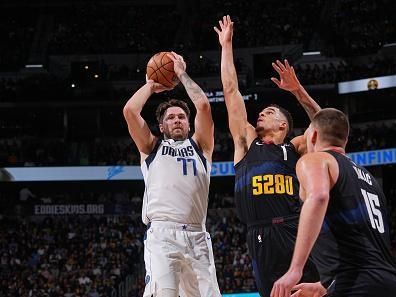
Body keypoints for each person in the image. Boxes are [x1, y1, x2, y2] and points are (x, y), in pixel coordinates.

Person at [214, 15, 323, 296]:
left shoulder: (295, 147)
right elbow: (230, 91)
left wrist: (298, 91)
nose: (261, 113)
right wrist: (226, 45)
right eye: (261, 112)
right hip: (258, 234)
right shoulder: (246, 141)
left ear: (283, 125)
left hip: (292, 229)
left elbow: (323, 125)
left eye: (269, 112)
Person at [123, 51, 221, 297]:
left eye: (181, 117)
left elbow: (204, 106)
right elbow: (130, 111)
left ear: (189, 124)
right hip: (163, 235)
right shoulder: (151, 147)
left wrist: (180, 73)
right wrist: (150, 85)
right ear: (162, 126)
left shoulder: (201, 146)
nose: (177, 120)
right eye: (171, 117)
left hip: (197, 235)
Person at [271, 108, 396, 297]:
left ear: (312, 136)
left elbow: (318, 196)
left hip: (354, 284)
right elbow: (366, 245)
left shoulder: (315, 160)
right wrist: (324, 286)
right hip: (387, 281)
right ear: (345, 140)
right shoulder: (369, 179)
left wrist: (295, 269)